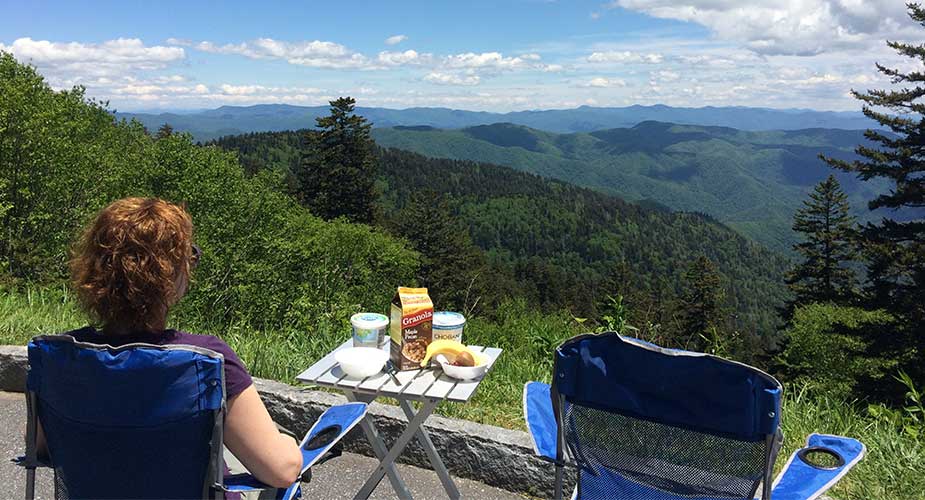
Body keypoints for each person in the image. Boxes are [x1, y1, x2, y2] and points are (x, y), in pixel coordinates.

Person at [39, 197, 302, 491]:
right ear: (169, 274)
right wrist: (289, 442)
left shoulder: (61, 358)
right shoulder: (206, 361)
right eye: (188, 257)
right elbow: (281, 471)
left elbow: (45, 447)